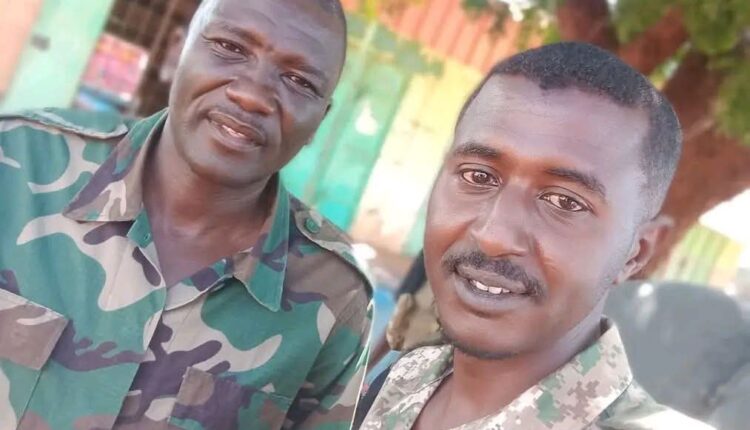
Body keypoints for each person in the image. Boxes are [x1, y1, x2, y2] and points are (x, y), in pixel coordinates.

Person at [0, 0, 373, 429]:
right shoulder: (15, 163)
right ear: (176, 51)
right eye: (230, 47)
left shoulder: (335, 294)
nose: (251, 96)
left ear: (320, 120)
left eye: (299, 81)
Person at [359, 42, 713, 429]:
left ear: (636, 252)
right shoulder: (404, 378)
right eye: (478, 176)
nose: (493, 236)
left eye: (565, 201)